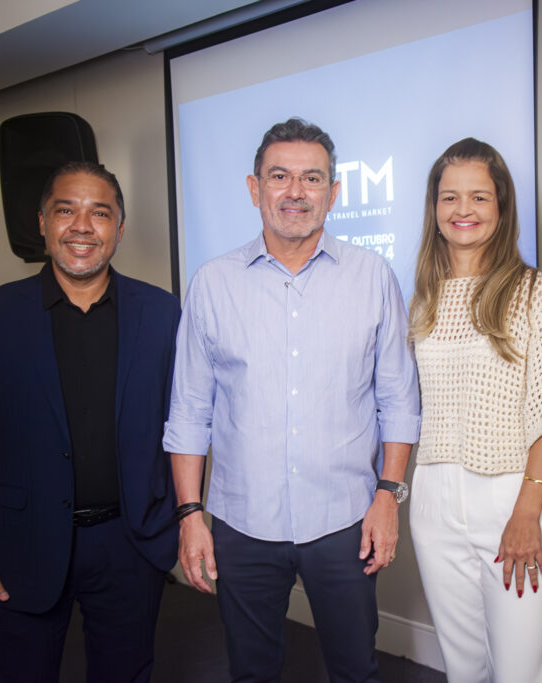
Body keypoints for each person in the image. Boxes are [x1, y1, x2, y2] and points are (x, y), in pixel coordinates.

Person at [163, 117, 420, 682]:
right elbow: (189, 411)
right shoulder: (212, 283)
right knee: (251, 672)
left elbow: (398, 399)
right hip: (242, 522)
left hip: (346, 520)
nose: (296, 192)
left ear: (334, 191)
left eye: (312, 178)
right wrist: (189, 515)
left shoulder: (373, 277)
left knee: (355, 671)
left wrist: (388, 497)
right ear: (254, 188)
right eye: (280, 176)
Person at [0, 161, 180, 682]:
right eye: (66, 210)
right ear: (43, 223)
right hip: (22, 544)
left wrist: (177, 520)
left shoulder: (162, 314)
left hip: (130, 544)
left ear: (120, 228)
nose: (82, 226)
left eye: (100, 213)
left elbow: (183, 424)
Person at [407, 138, 542, 682]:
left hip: (513, 496)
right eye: (449, 197)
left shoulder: (536, 292)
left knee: (518, 673)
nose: (462, 209)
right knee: (463, 670)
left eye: (479, 197)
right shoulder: (424, 299)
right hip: (435, 498)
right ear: (434, 208)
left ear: (502, 206)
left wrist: (527, 512)